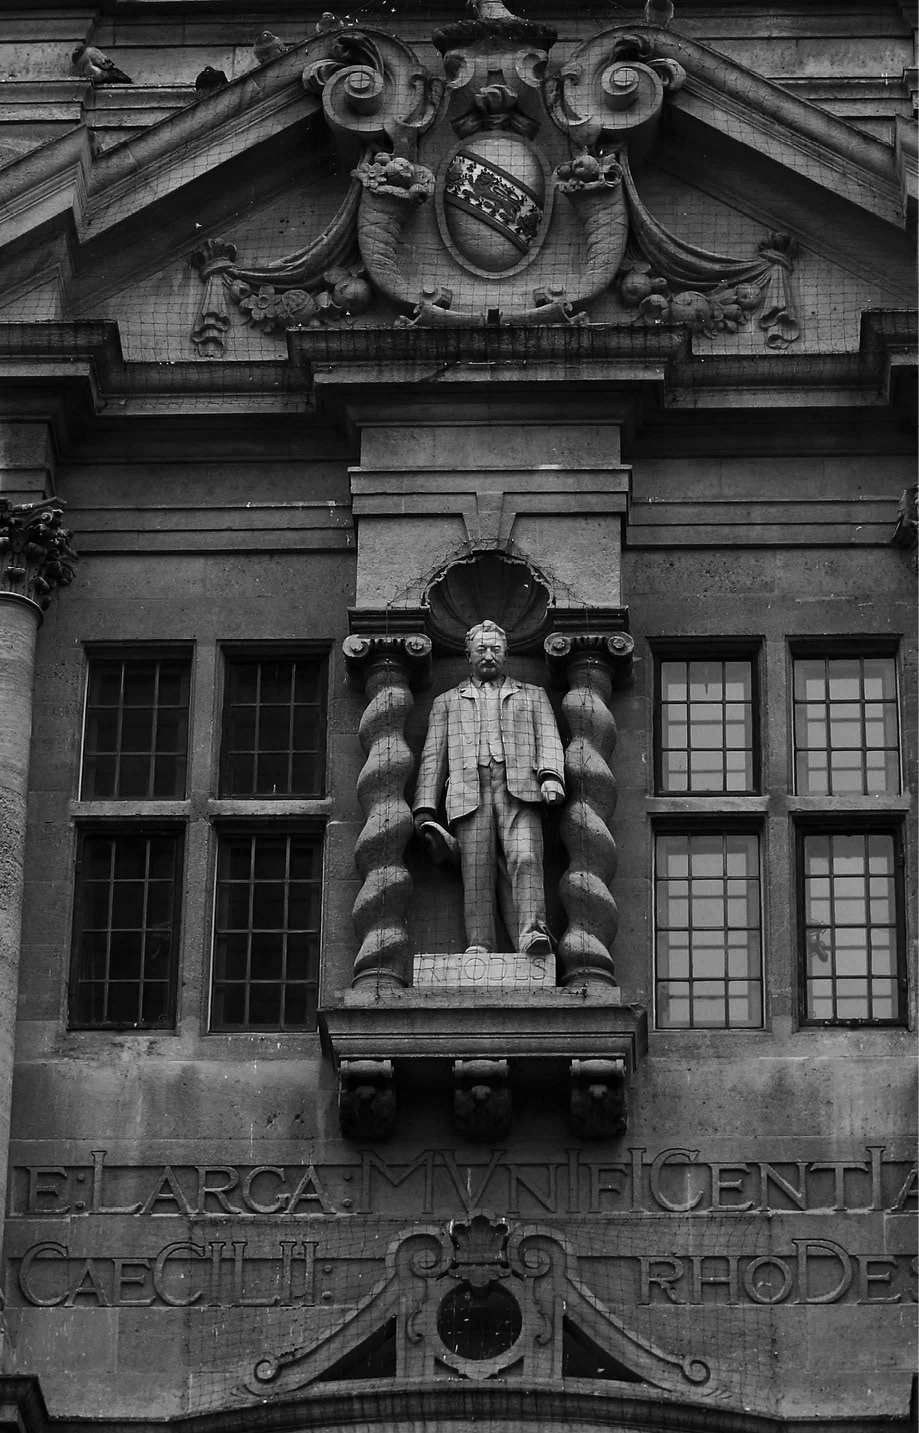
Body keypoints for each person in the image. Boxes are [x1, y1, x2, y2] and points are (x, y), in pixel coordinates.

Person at [412, 619, 565, 956]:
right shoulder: (447, 701)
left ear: (506, 654)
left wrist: (552, 775)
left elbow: (550, 738)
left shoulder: (533, 695)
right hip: (469, 791)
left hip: (520, 789)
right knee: (476, 871)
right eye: (481, 649)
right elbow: (433, 756)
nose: (488, 655)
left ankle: (532, 933)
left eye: (495, 649)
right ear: (468, 655)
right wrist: (424, 808)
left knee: (526, 857)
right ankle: (480, 943)